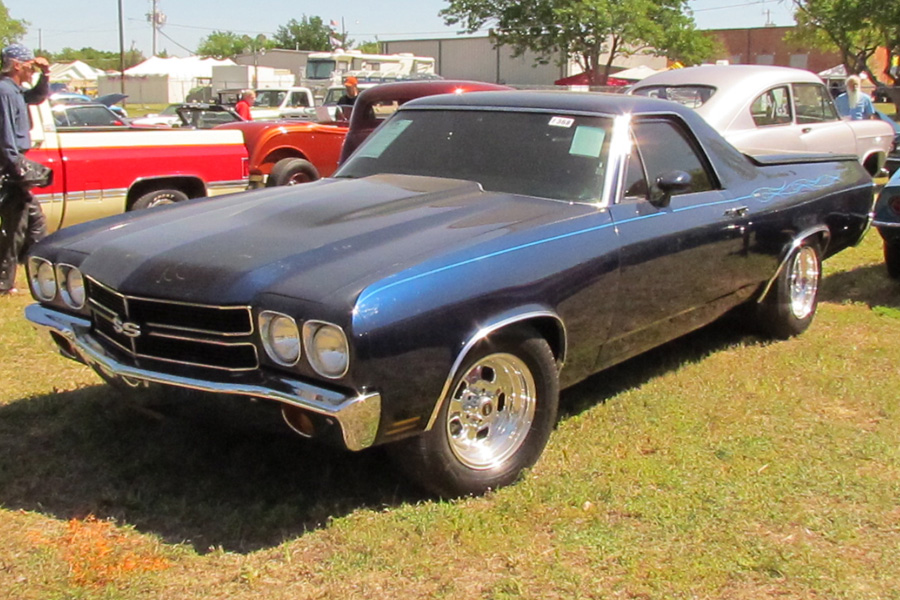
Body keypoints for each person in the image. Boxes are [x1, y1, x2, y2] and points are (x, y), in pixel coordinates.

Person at [0, 43, 50, 296]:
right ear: (17, 65)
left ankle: (41, 271)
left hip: (14, 160)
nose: (32, 68)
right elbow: (5, 134)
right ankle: (4, 283)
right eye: (29, 64)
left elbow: (38, 97)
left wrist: (46, 74)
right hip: (9, 163)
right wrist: (17, 166)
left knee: (34, 222)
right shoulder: (5, 91)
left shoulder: (17, 91)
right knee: (15, 225)